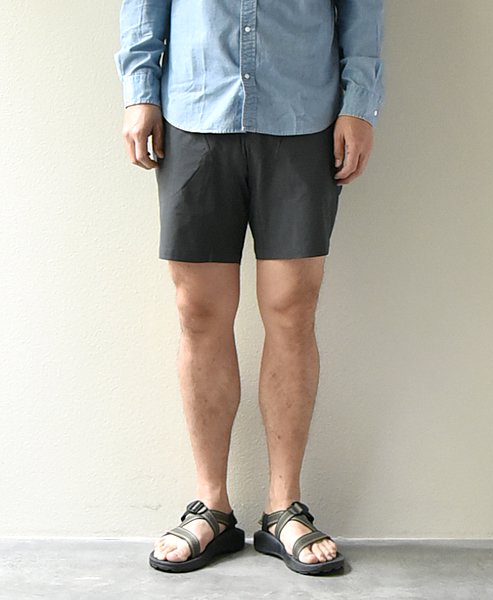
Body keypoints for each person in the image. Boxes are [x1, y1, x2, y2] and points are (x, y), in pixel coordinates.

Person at [114, 0, 384, 576]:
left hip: (304, 115)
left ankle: (284, 508)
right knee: (198, 312)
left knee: (292, 309)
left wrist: (360, 103)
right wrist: (139, 91)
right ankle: (210, 507)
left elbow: (362, 8)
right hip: (193, 111)